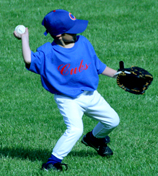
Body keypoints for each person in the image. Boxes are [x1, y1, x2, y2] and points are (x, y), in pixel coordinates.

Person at [14, 9, 120, 171]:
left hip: (91, 95)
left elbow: (98, 65)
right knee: (75, 129)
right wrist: (24, 38)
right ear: (59, 35)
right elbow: (29, 60)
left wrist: (117, 75)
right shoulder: (47, 52)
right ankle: (52, 162)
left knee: (113, 120)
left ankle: (94, 139)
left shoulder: (83, 42)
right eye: (73, 30)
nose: (78, 31)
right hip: (67, 99)